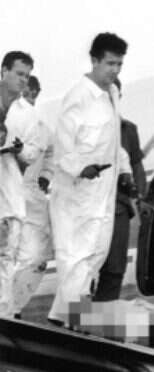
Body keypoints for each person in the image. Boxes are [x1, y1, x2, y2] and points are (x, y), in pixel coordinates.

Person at [48, 33, 133, 327]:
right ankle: (74, 320)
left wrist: (125, 172)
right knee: (75, 258)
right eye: (110, 64)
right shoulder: (78, 97)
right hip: (76, 193)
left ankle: (61, 317)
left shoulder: (112, 95)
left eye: (119, 65)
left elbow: (114, 143)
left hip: (102, 193)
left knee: (95, 255)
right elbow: (63, 148)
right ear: (94, 61)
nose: (114, 71)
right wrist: (81, 168)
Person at [92, 77, 146, 301]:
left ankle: (102, 312)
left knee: (115, 267)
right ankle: (75, 313)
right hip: (90, 206)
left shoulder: (128, 130)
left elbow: (137, 165)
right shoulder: (85, 129)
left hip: (119, 207)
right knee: (86, 266)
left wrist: (141, 197)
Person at [11, 76, 56, 319]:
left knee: (37, 258)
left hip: (32, 195)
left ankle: (13, 309)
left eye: (33, 94)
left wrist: (46, 176)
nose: (29, 98)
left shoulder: (43, 129)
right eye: (25, 93)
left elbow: (51, 154)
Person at [0, 51, 37, 317]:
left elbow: (33, 153)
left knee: (6, 257)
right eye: (19, 74)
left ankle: (2, 315)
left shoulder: (27, 113)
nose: (23, 80)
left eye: (27, 75)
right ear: (4, 71)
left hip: (10, 197)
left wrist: (19, 148)